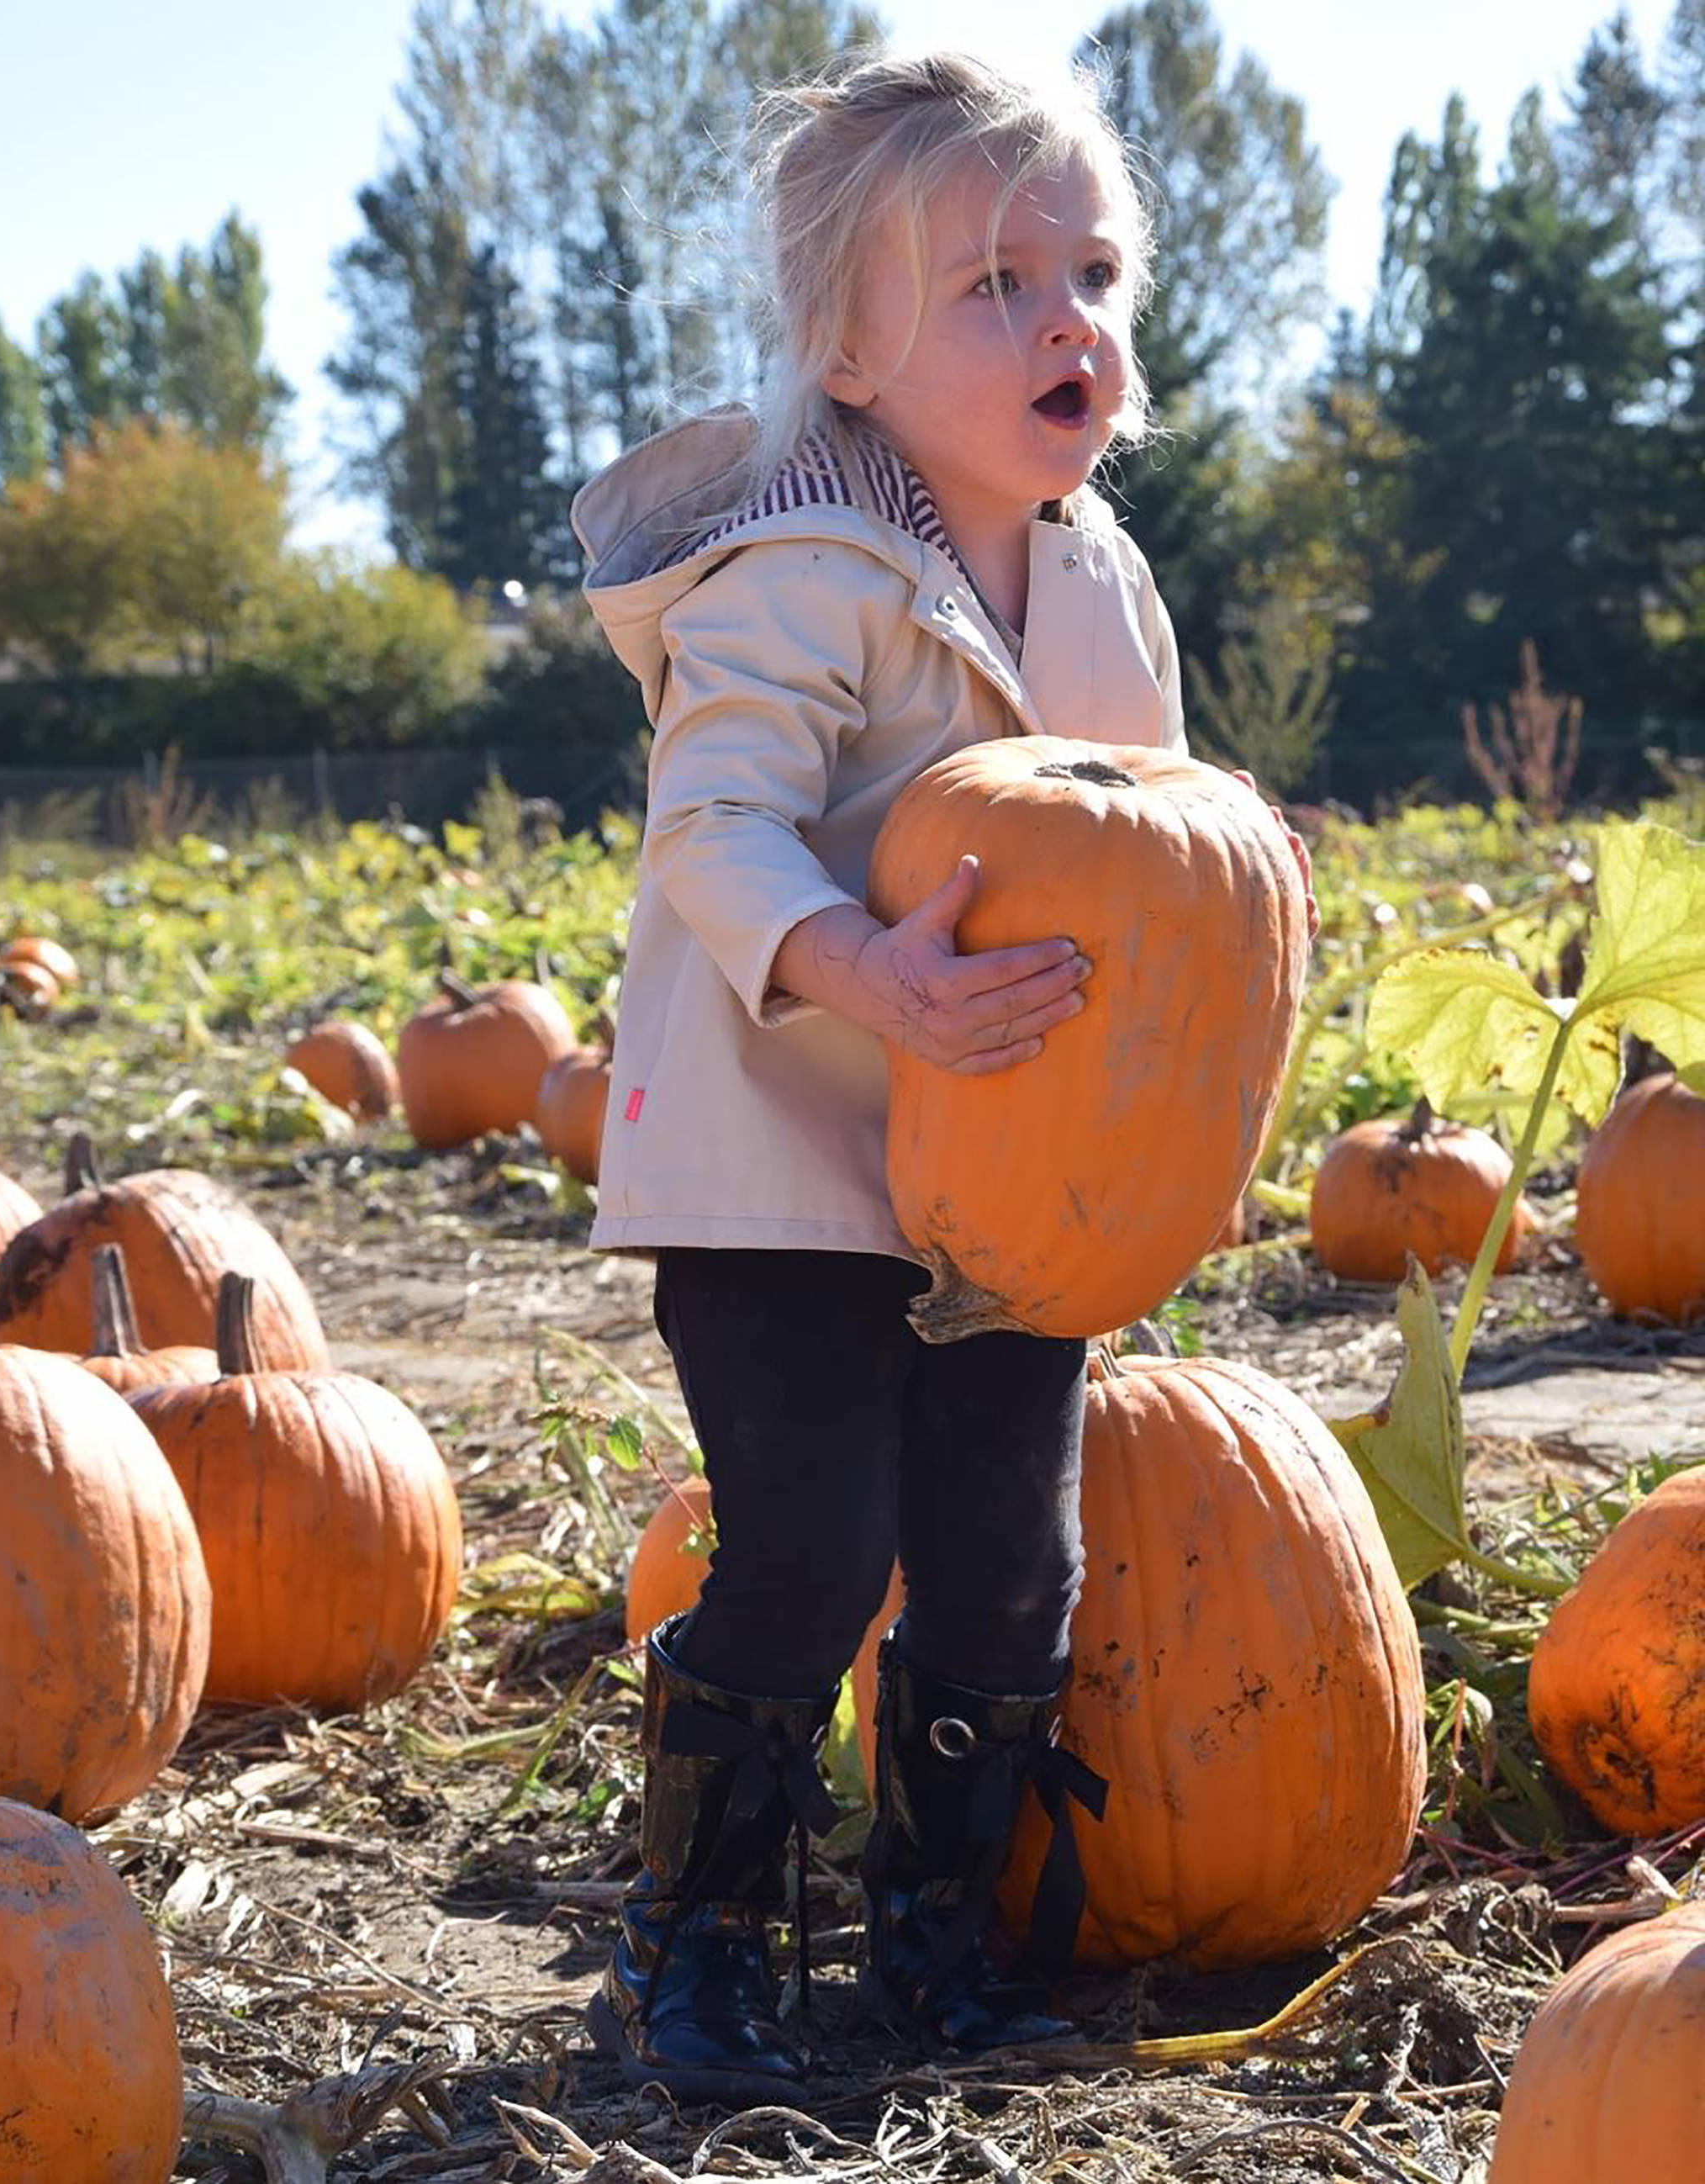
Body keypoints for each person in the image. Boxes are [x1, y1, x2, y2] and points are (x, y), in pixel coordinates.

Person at [570, 48, 1314, 2103]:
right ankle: (700, 1931)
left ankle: (938, 1926)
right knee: (812, 1544)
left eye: (1090, 272)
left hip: (1015, 1189)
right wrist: (847, 962)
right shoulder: (798, 574)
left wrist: (1246, 902)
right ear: (848, 348)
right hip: (787, 1173)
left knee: (1011, 1561)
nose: (1064, 318)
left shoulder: (1101, 581)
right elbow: (710, 828)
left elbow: (1161, 865)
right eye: (994, 283)